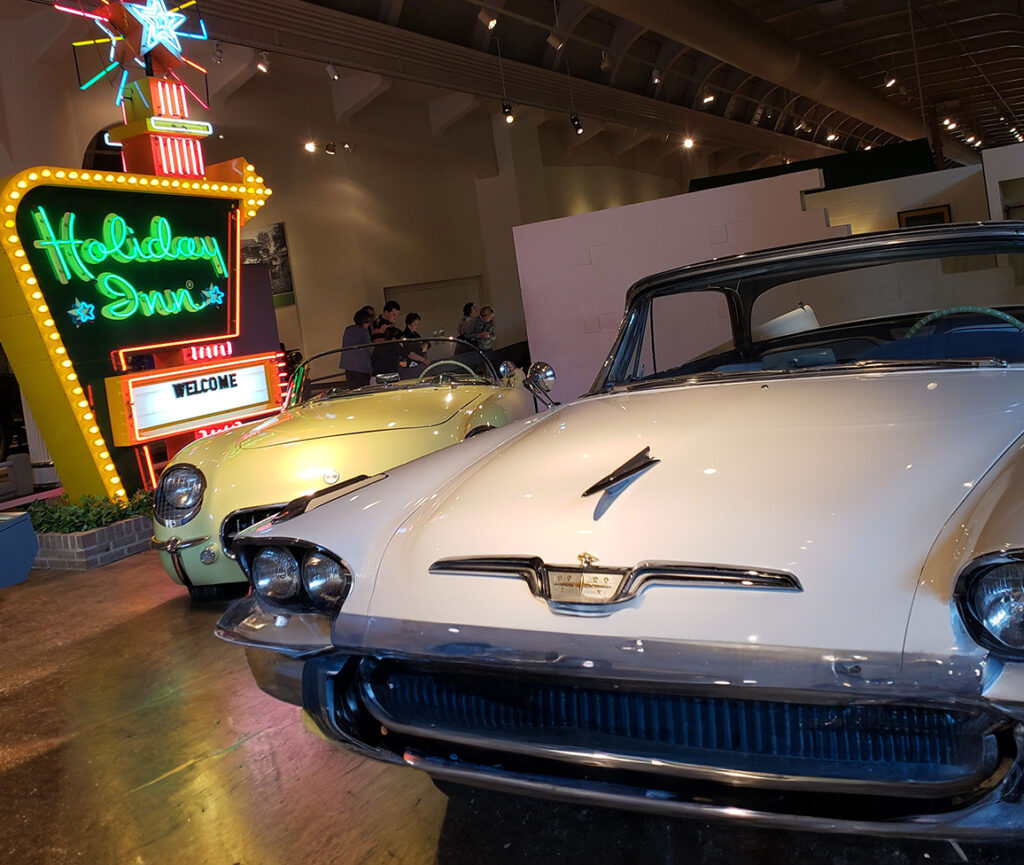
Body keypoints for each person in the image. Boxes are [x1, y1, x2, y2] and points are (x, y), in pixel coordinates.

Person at [340, 308, 373, 388]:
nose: (369, 324)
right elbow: (369, 349)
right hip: (362, 367)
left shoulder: (348, 330)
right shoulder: (363, 332)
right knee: (363, 389)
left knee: (353, 389)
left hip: (348, 366)